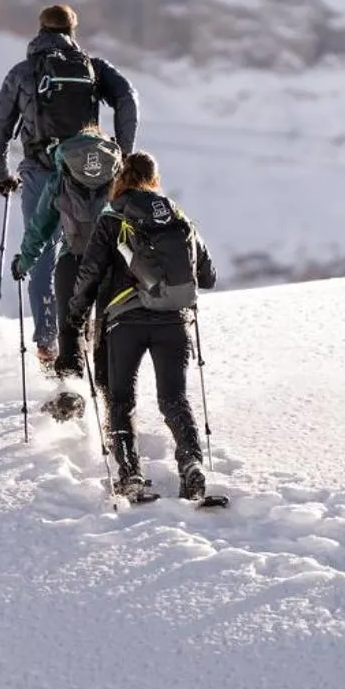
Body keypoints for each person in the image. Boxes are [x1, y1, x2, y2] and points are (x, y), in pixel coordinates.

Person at [0, 3, 138, 366]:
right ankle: (92, 332)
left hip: (39, 169)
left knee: (42, 255)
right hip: (92, 170)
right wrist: (123, 154)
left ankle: (47, 345)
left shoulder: (24, 73)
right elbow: (128, 98)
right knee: (90, 249)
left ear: (39, 30)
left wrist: (2, 177)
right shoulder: (93, 68)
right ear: (73, 29)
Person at [66, 150, 217, 502]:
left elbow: (90, 273)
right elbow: (208, 276)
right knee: (174, 398)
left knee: (120, 400)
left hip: (125, 322)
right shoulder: (178, 216)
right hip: (175, 321)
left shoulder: (112, 217)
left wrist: (75, 317)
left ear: (121, 178)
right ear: (154, 177)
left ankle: (130, 474)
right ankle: (192, 464)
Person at [10, 120, 124, 394]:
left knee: (70, 330)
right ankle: (111, 399)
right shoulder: (119, 173)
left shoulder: (60, 177)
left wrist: (23, 262)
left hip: (72, 260)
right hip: (113, 265)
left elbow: (40, 228)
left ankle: (71, 391)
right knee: (106, 331)